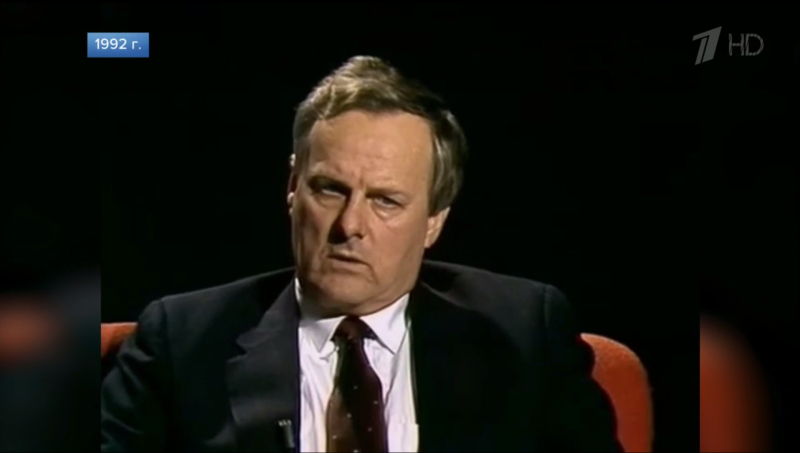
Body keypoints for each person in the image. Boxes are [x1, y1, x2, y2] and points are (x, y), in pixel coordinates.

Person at [101, 55, 622, 452]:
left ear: (434, 220)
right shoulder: (182, 343)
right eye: (329, 190)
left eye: (385, 201)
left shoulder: (523, 334)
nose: (350, 226)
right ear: (292, 187)